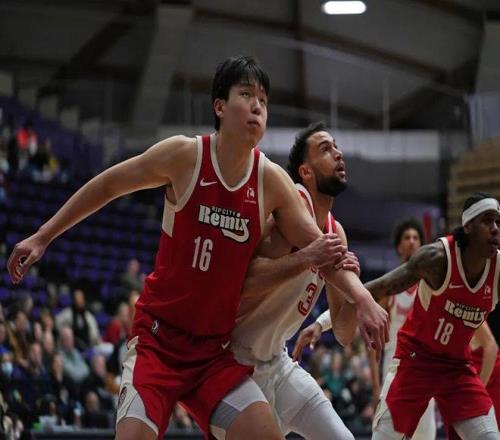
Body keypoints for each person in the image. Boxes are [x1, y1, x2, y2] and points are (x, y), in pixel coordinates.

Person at [7, 56, 388, 440]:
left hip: (212, 353)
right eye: (246, 95)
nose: (257, 106)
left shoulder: (271, 180)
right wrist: (43, 235)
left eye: (263, 100)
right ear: (219, 106)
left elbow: (323, 250)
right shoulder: (185, 155)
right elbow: (109, 185)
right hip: (159, 341)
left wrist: (363, 299)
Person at [229, 122, 358, 439]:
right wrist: (307, 257)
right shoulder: (288, 209)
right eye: (326, 149)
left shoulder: (336, 232)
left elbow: (344, 333)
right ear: (306, 172)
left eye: (336, 146)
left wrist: (353, 290)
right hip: (235, 364)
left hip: (278, 362)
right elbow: (240, 284)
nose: (338, 154)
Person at [368, 193, 500, 439]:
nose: (495, 229)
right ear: (468, 226)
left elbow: (490, 344)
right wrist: (323, 322)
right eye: (487, 221)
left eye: (498, 222)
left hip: (456, 367)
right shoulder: (436, 260)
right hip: (414, 361)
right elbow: (370, 293)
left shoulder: (496, 269)